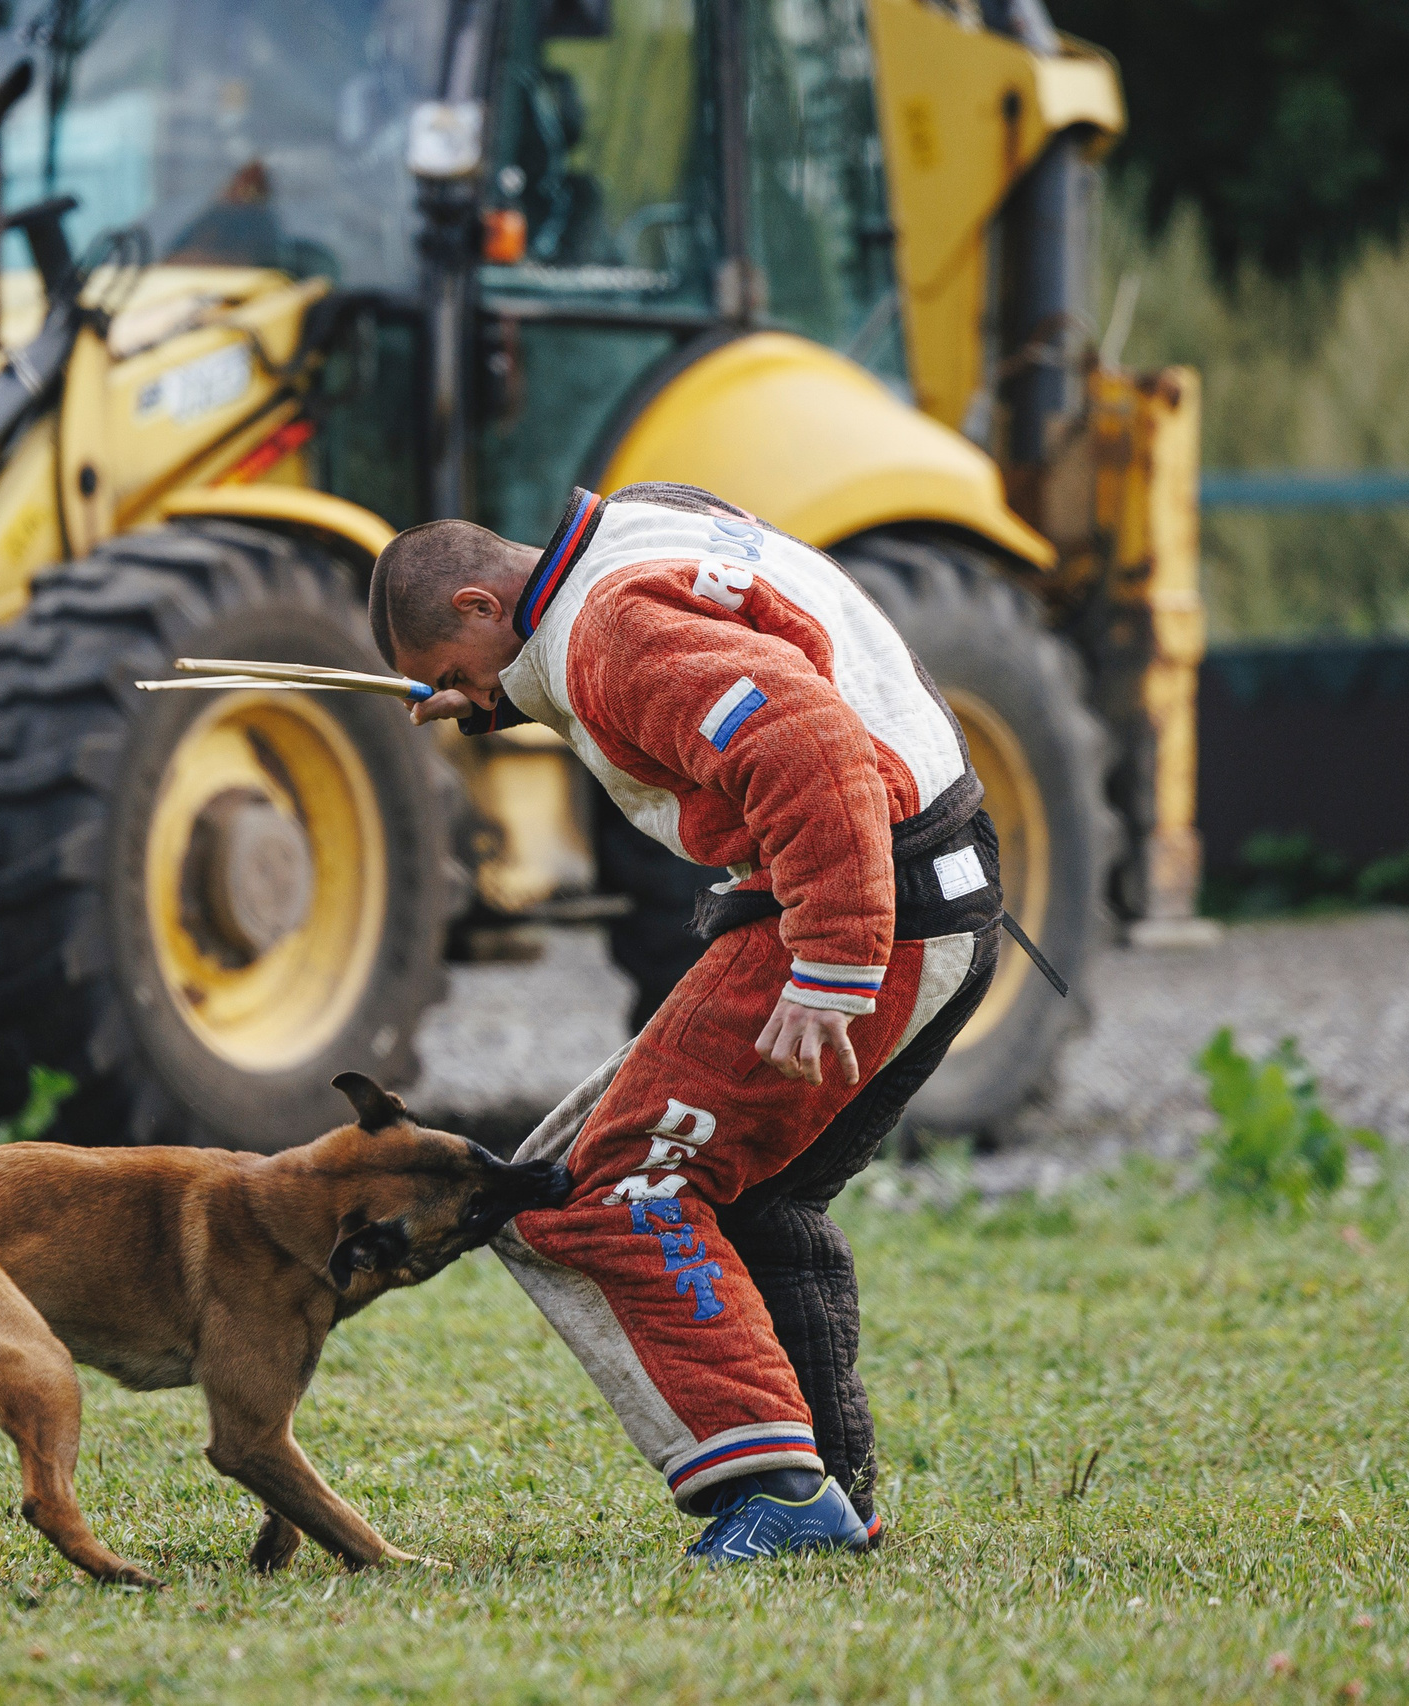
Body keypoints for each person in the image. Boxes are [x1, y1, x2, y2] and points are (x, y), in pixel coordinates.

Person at [369, 483, 1009, 1563]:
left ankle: (780, 1492)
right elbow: (714, 655)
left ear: (481, 604)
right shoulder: (637, 528)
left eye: (451, 673)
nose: (461, 697)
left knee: (604, 1190)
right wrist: (503, 695)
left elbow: (807, 742)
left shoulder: (610, 634)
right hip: (938, 878)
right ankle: (826, 1489)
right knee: (737, 1190)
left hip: (866, 904)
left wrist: (834, 959)